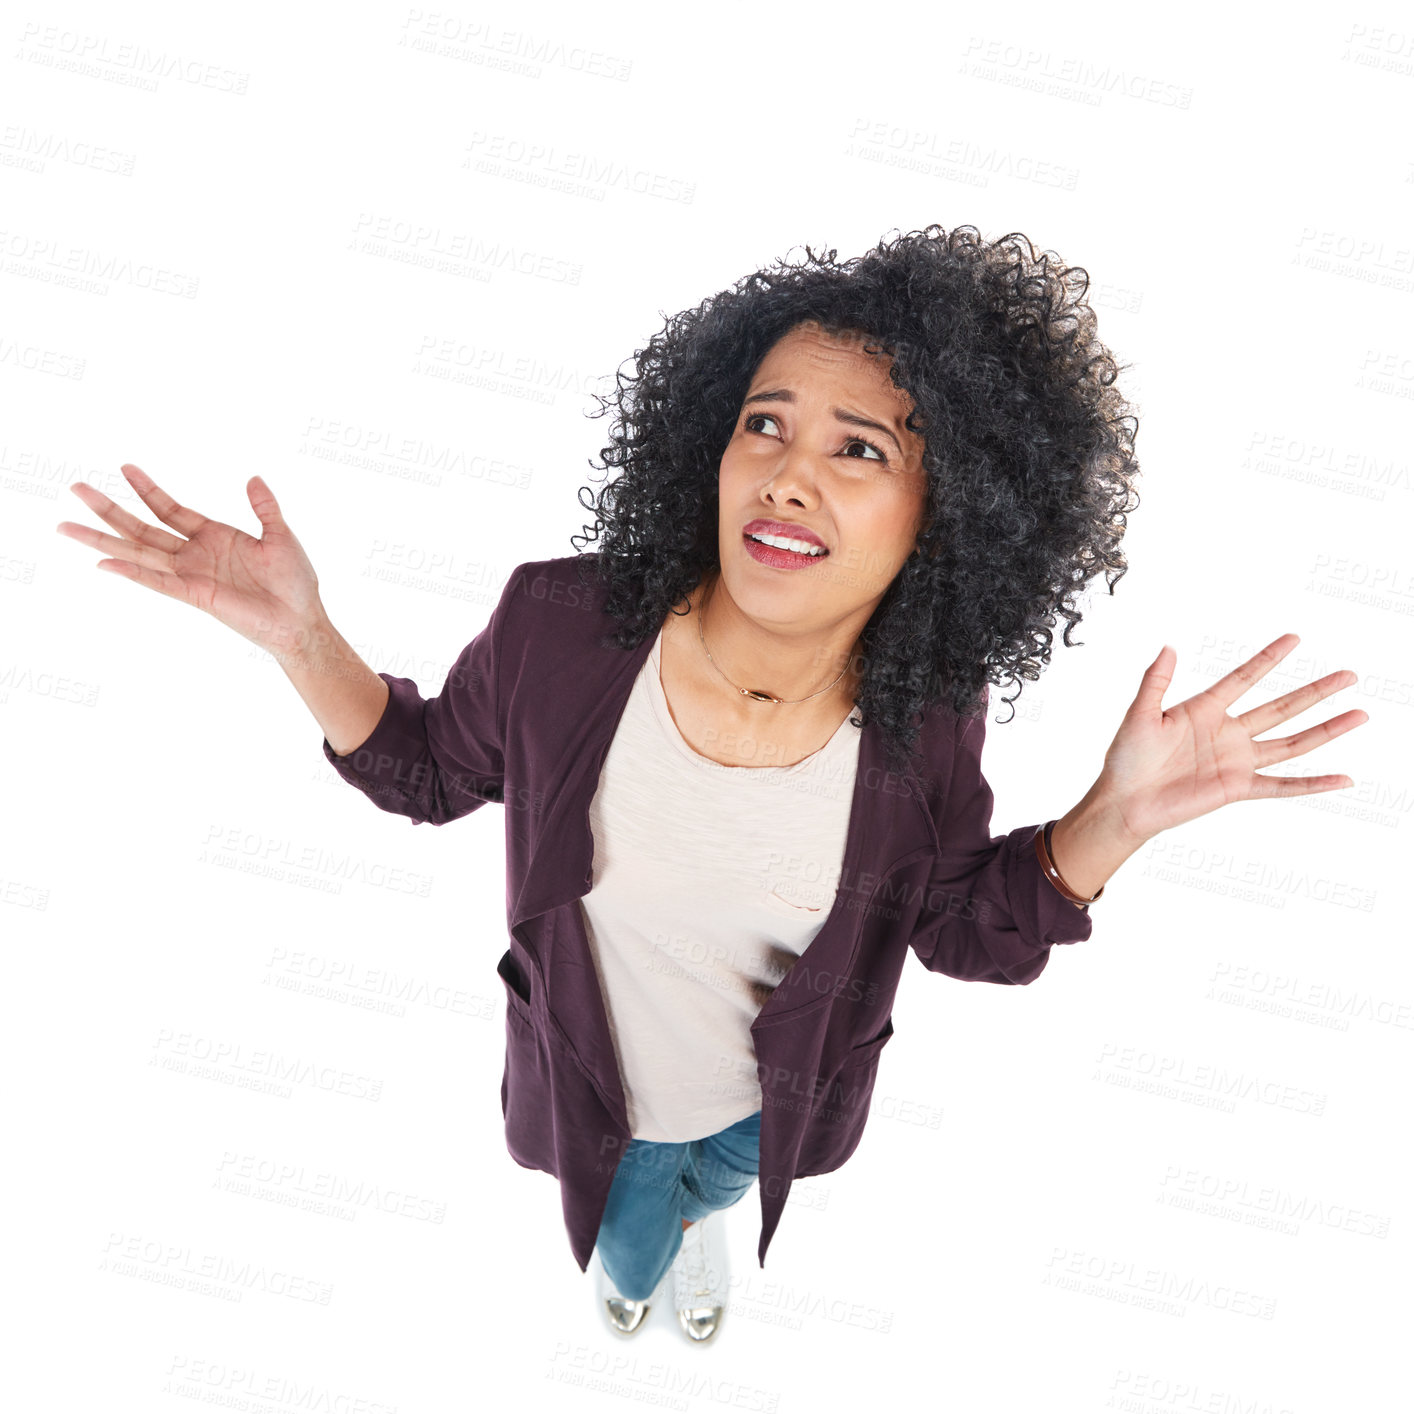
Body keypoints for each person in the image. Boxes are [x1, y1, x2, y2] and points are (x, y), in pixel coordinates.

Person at [56, 225, 1367, 1346]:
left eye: (859, 450)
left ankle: (705, 1221)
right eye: (763, 423)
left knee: (721, 1181)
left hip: (775, 1108)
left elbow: (961, 922)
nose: (788, 468)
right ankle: (654, 1262)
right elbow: (425, 768)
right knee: (628, 1247)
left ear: (946, 514)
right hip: (597, 1106)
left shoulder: (924, 720)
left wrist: (1115, 815)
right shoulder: (561, 626)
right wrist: (300, 631)